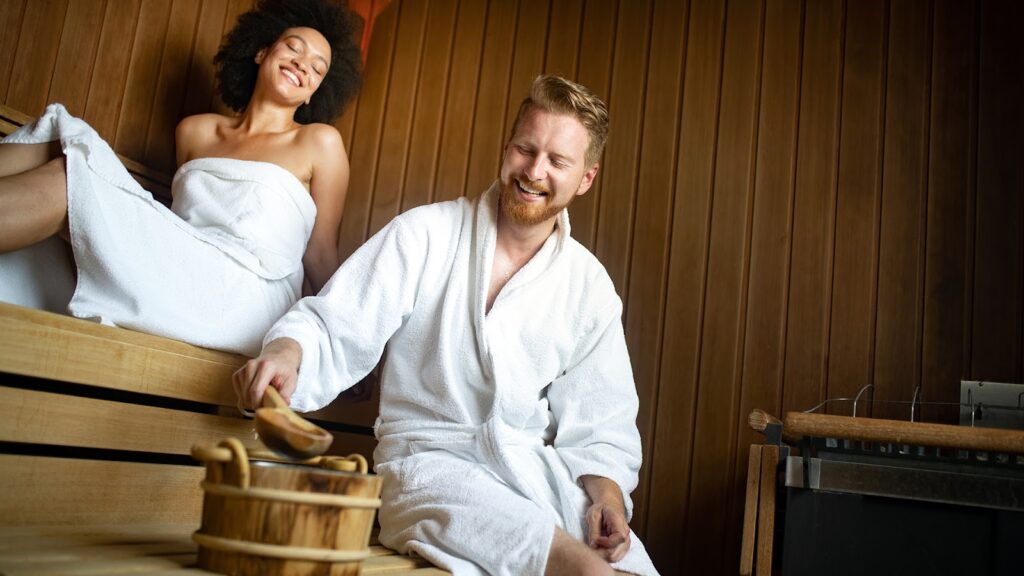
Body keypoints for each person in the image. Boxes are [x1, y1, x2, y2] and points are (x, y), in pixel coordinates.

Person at [234, 75, 659, 576]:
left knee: (628, 567)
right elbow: (335, 321)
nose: (534, 171)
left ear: (586, 178)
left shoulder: (588, 285)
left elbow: (602, 418)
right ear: (507, 148)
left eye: (558, 161)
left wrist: (606, 496)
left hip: (531, 472)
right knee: (585, 571)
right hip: (427, 466)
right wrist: (287, 353)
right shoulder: (427, 233)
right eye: (526, 148)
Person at [0, 0, 362, 356]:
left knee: (69, 176)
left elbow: (320, 254)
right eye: (293, 48)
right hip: (183, 260)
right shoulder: (195, 132)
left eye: (317, 68)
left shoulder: (320, 143)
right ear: (262, 52)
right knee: (58, 141)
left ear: (315, 91)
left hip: (246, 293)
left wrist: (339, 342)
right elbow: (182, 221)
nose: (302, 64)